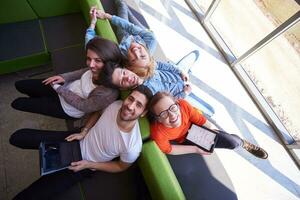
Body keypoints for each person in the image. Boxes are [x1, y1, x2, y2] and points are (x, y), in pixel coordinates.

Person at [9, 85, 152, 199]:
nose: (130, 106)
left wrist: (89, 165)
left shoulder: (133, 145)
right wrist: (84, 131)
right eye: (131, 99)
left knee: (30, 196)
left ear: (144, 112)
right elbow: (98, 112)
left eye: (138, 105)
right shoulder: (116, 105)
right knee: (18, 138)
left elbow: (121, 166)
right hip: (76, 138)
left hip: (83, 165)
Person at [11, 37, 122, 119]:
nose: (91, 65)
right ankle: (38, 97)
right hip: (64, 87)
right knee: (21, 85)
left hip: (66, 108)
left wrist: (59, 89)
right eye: (89, 58)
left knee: (18, 103)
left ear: (109, 63)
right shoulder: (98, 69)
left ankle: (38, 99)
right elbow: (84, 71)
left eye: (97, 60)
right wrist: (63, 77)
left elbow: (84, 106)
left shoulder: (108, 93)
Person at [148, 92, 268, 159]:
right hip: (185, 139)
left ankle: (243, 142)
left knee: (232, 142)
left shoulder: (183, 105)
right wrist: (195, 149)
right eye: (163, 114)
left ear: (177, 104)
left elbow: (200, 120)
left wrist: (214, 131)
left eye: (173, 108)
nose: (172, 115)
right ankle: (237, 141)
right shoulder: (157, 132)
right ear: (158, 119)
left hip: (195, 127)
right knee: (232, 143)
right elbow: (169, 149)